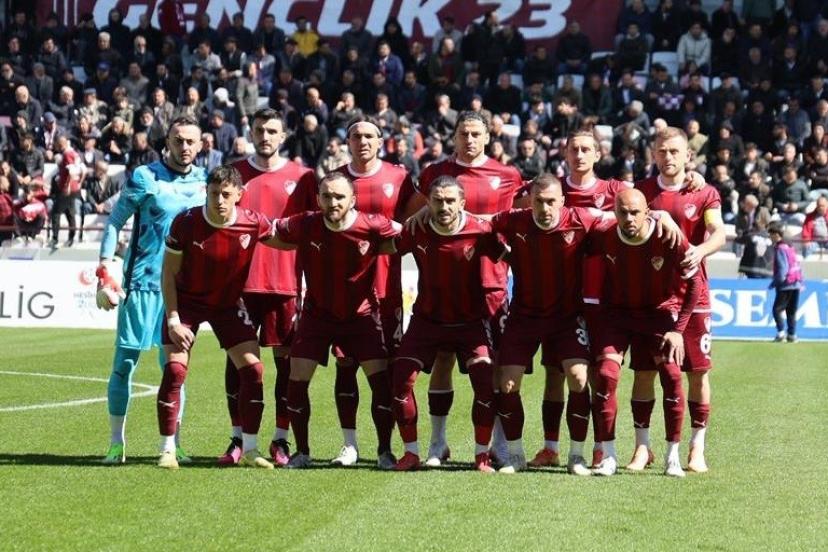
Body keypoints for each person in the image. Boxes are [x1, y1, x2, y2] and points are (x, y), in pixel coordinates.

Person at [268, 171, 400, 469]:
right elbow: (269, 231)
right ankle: (302, 452)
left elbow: (407, 235)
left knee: (380, 383)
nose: (333, 202)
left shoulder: (372, 224)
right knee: (296, 379)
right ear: (318, 199)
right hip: (317, 316)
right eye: (326, 196)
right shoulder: (305, 223)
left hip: (361, 316)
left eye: (340, 196)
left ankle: (384, 451)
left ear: (353, 200)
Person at [414, 111, 523, 468]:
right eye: (464, 133)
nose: (470, 139)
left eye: (476, 133)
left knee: (494, 366)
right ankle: (438, 442)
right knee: (442, 360)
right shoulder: (435, 174)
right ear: (455, 136)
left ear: (488, 137)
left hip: (491, 286)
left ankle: (498, 444)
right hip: (444, 285)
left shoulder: (508, 176)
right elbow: (416, 217)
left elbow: (524, 217)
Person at [97, 116, 207, 465]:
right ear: (167, 142)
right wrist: (104, 271)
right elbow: (115, 222)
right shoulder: (146, 177)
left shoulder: (206, 182)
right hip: (142, 286)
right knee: (124, 364)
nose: (184, 146)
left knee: (175, 369)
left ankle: (173, 444)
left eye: (190, 141)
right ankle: (116, 443)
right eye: (178, 140)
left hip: (182, 291)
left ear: (201, 145)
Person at [158, 165, 276, 470]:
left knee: (254, 370)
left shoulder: (252, 222)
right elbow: (168, 273)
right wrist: (173, 320)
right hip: (186, 304)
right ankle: (167, 449)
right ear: (206, 192)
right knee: (175, 371)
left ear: (239, 195)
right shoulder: (186, 223)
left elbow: (286, 236)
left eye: (225, 194)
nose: (219, 200)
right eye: (213, 193)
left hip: (227, 305)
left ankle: (250, 449)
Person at [218, 109, 316, 467]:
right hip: (239, 286)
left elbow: (314, 231)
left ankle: (280, 438)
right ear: (251, 132)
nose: (265, 136)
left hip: (285, 284)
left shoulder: (303, 177)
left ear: (283, 136)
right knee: (238, 364)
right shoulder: (233, 174)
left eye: (272, 131)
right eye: (259, 129)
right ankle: (238, 438)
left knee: (285, 365)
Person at [490, 174, 606, 474]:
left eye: (551, 201)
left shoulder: (580, 219)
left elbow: (619, 217)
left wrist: (661, 216)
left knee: (578, 379)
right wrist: (500, 252)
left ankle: (576, 456)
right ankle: (515, 455)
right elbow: (482, 223)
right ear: (530, 202)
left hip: (567, 317)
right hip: (524, 316)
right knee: (507, 383)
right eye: (538, 202)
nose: (544, 208)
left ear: (562, 201)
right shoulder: (514, 220)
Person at [392, 176, 507, 472]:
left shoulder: (481, 230)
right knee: (401, 379)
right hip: (427, 320)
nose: (443, 206)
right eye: (437, 201)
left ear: (462, 203)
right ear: (428, 203)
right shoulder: (415, 229)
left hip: (471, 321)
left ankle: (482, 455)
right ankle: (413, 452)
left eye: (450, 201)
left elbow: (509, 256)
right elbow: (386, 250)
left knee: (484, 381)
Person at [326, 117, 422, 467]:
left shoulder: (398, 177)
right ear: (347, 142)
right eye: (356, 136)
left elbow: (415, 224)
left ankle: (385, 448)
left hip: (386, 291)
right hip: (344, 292)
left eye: (369, 136)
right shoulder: (335, 179)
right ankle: (349, 445)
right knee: (345, 366)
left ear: (381, 142)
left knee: (385, 372)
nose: (362, 141)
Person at [632, 127, 725, 474]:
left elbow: (719, 233)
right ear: (653, 154)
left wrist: (700, 251)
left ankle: (696, 448)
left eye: (674, 151)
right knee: (644, 371)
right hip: (651, 298)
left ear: (688, 155)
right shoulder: (641, 192)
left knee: (698, 373)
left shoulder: (704, 192)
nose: (668, 157)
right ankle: (642, 448)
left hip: (693, 296)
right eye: (662, 151)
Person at [590, 188, 701, 478]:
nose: (629, 218)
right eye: (623, 212)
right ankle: (609, 456)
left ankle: (672, 457)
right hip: (617, 316)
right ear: (614, 213)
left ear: (647, 212)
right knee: (606, 375)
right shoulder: (604, 234)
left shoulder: (668, 236)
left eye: (635, 212)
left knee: (672, 376)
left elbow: (695, 283)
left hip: (658, 315)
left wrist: (678, 330)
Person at [768, 222, 804, 343]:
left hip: (786, 285)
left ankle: (780, 334)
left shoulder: (780, 249)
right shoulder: (790, 247)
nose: (770, 237)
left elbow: (783, 269)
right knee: (791, 311)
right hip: (796, 283)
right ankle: (792, 335)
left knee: (777, 310)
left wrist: (775, 283)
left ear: (776, 235)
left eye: (771, 234)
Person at [50, 135, 86, 248]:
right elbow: (83, 169)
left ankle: (55, 239)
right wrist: (79, 183)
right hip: (74, 188)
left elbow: (71, 171)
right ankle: (71, 238)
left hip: (67, 189)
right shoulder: (75, 153)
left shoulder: (67, 154)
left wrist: (67, 186)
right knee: (69, 212)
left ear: (60, 144)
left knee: (55, 212)